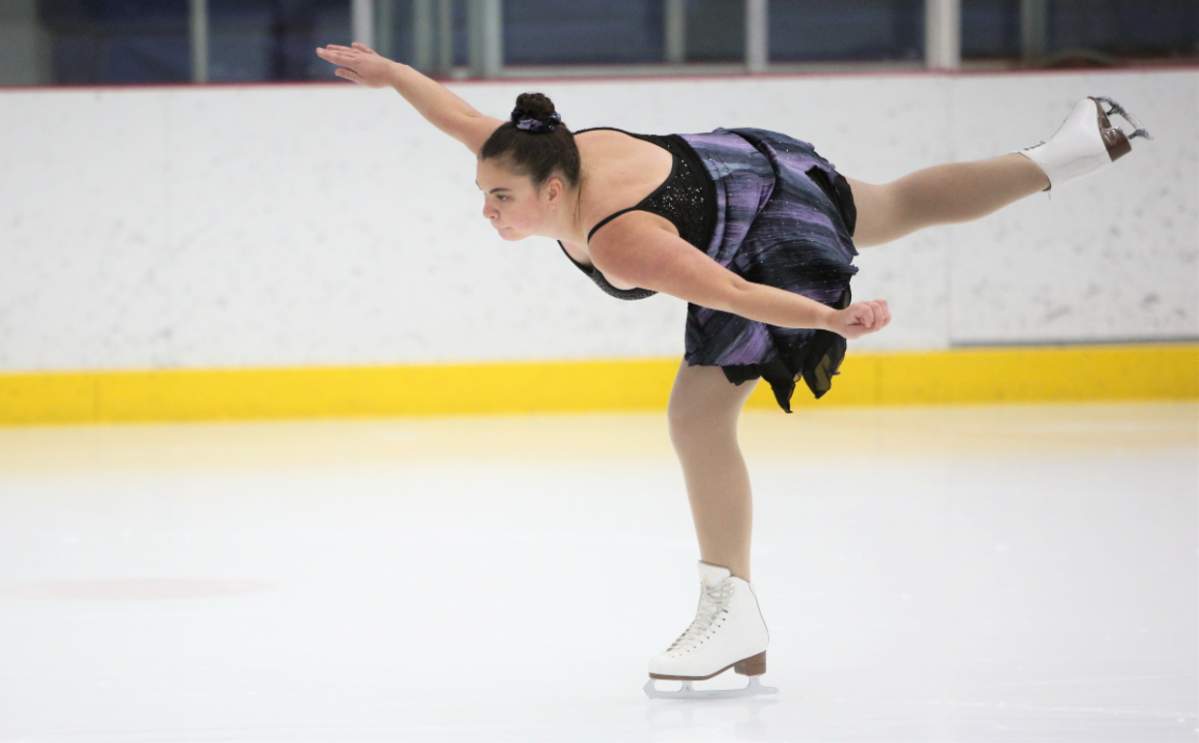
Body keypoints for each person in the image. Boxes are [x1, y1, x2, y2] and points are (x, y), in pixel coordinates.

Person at [314, 41, 1150, 700]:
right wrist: (388, 74)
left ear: (556, 186)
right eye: (484, 193)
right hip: (737, 168)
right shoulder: (533, 151)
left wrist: (830, 316)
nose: (486, 208)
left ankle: (729, 605)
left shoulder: (623, 240)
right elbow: (457, 113)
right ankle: (1077, 149)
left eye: (499, 198)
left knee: (696, 416)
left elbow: (740, 291)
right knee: (893, 205)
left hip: (757, 230)